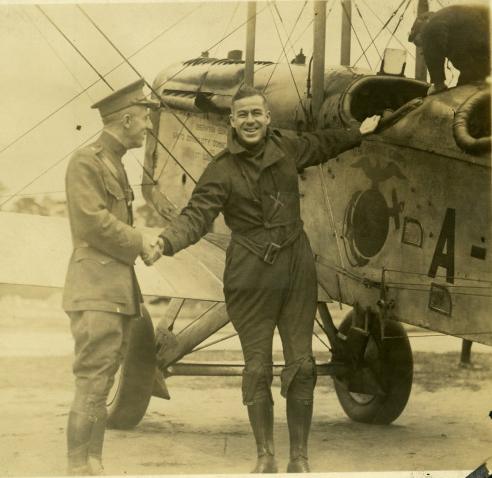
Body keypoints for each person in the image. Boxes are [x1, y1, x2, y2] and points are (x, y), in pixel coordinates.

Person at [147, 85, 380, 473]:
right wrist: (166, 241)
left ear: (268, 118)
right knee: (257, 367)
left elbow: (322, 144)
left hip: (295, 266)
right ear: (232, 121)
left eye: (257, 113)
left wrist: (359, 132)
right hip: (250, 273)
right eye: (243, 115)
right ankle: (265, 458)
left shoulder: (286, 147)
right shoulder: (220, 170)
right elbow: (195, 216)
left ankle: (299, 460)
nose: (251, 121)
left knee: (302, 364)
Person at [62, 78, 161, 476]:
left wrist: (140, 244)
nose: (148, 127)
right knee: (92, 382)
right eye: (144, 119)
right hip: (97, 291)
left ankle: (94, 465)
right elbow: (92, 223)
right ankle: (77, 469)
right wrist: (140, 241)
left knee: (101, 384)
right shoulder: (87, 161)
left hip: (113, 291)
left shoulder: (113, 162)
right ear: (124, 119)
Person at [408, 4, 490, 95]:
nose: (420, 51)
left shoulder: (430, 26)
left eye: (417, 43)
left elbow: (433, 46)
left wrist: (438, 84)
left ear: (421, 31)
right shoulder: (448, 21)